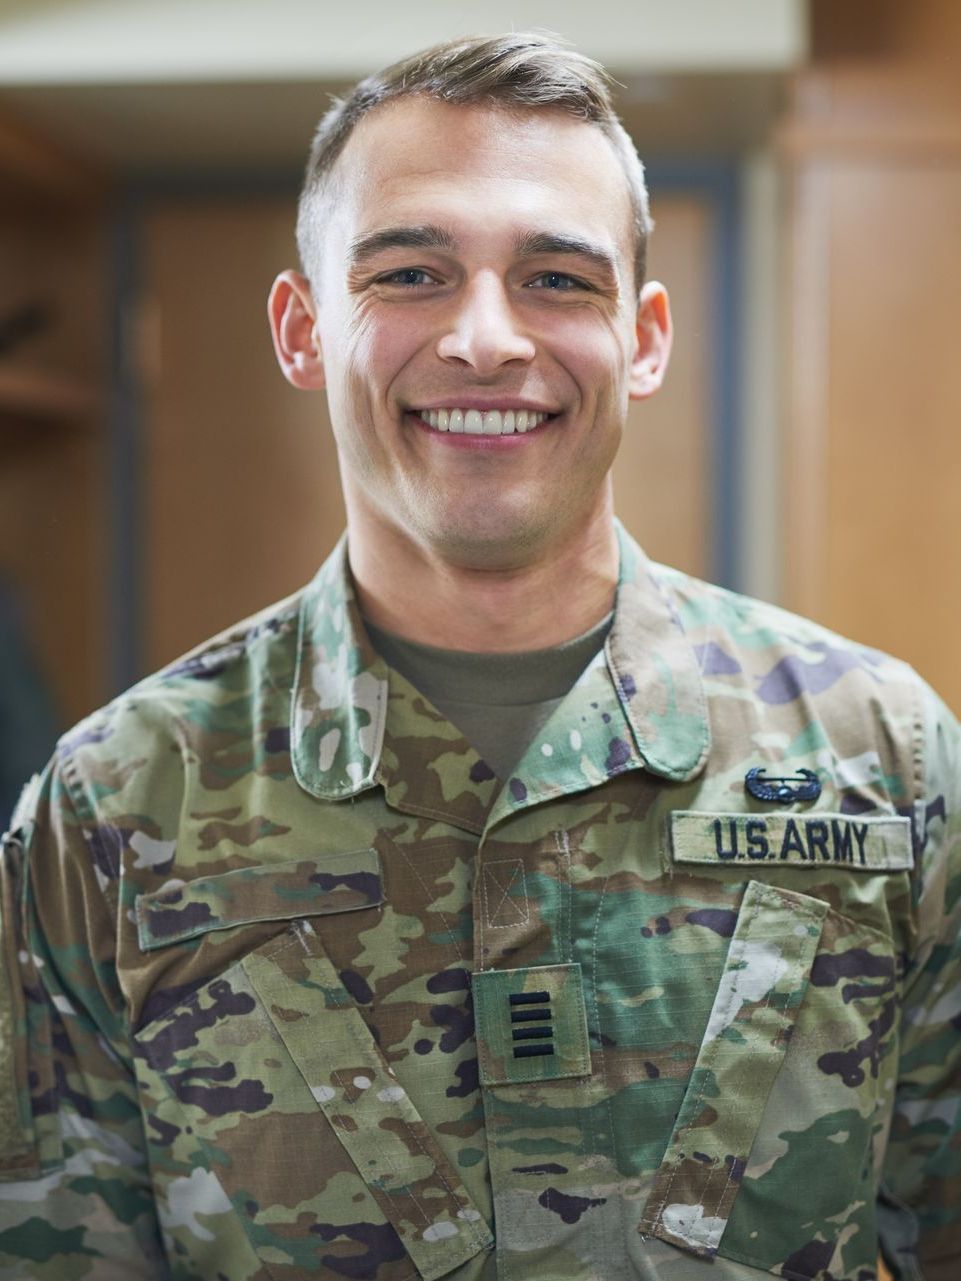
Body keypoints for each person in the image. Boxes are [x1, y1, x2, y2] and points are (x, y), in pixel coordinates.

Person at [0, 30, 958, 1281]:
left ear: (645, 339)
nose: (487, 339)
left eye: (556, 277)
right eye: (411, 273)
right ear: (301, 329)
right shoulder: (116, 806)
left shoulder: (881, 757)